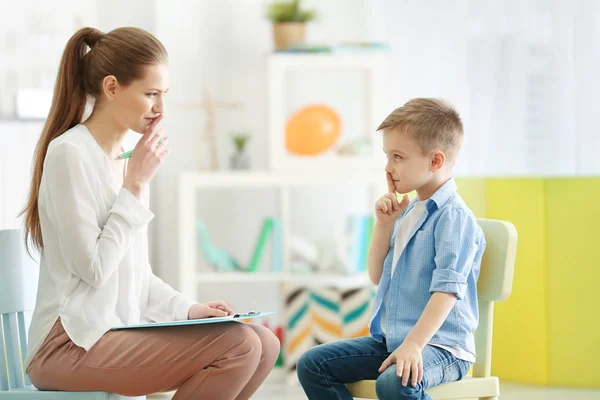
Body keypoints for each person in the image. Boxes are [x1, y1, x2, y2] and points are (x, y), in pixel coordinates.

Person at [20, 26, 279, 400]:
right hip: (66, 345)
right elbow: (93, 270)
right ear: (112, 88)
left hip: (111, 334)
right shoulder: (70, 154)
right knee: (238, 345)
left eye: (164, 95)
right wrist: (135, 186)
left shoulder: (127, 160)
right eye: (151, 94)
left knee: (264, 343)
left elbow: (135, 277)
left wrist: (190, 310)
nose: (160, 109)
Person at [297, 98, 486, 400]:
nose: (388, 167)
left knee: (393, 382)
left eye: (398, 156)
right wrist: (384, 225)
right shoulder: (410, 211)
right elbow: (375, 274)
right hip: (394, 341)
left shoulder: (453, 218)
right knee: (312, 364)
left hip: (443, 348)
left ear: (435, 161)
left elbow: (447, 292)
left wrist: (413, 345)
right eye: (387, 156)